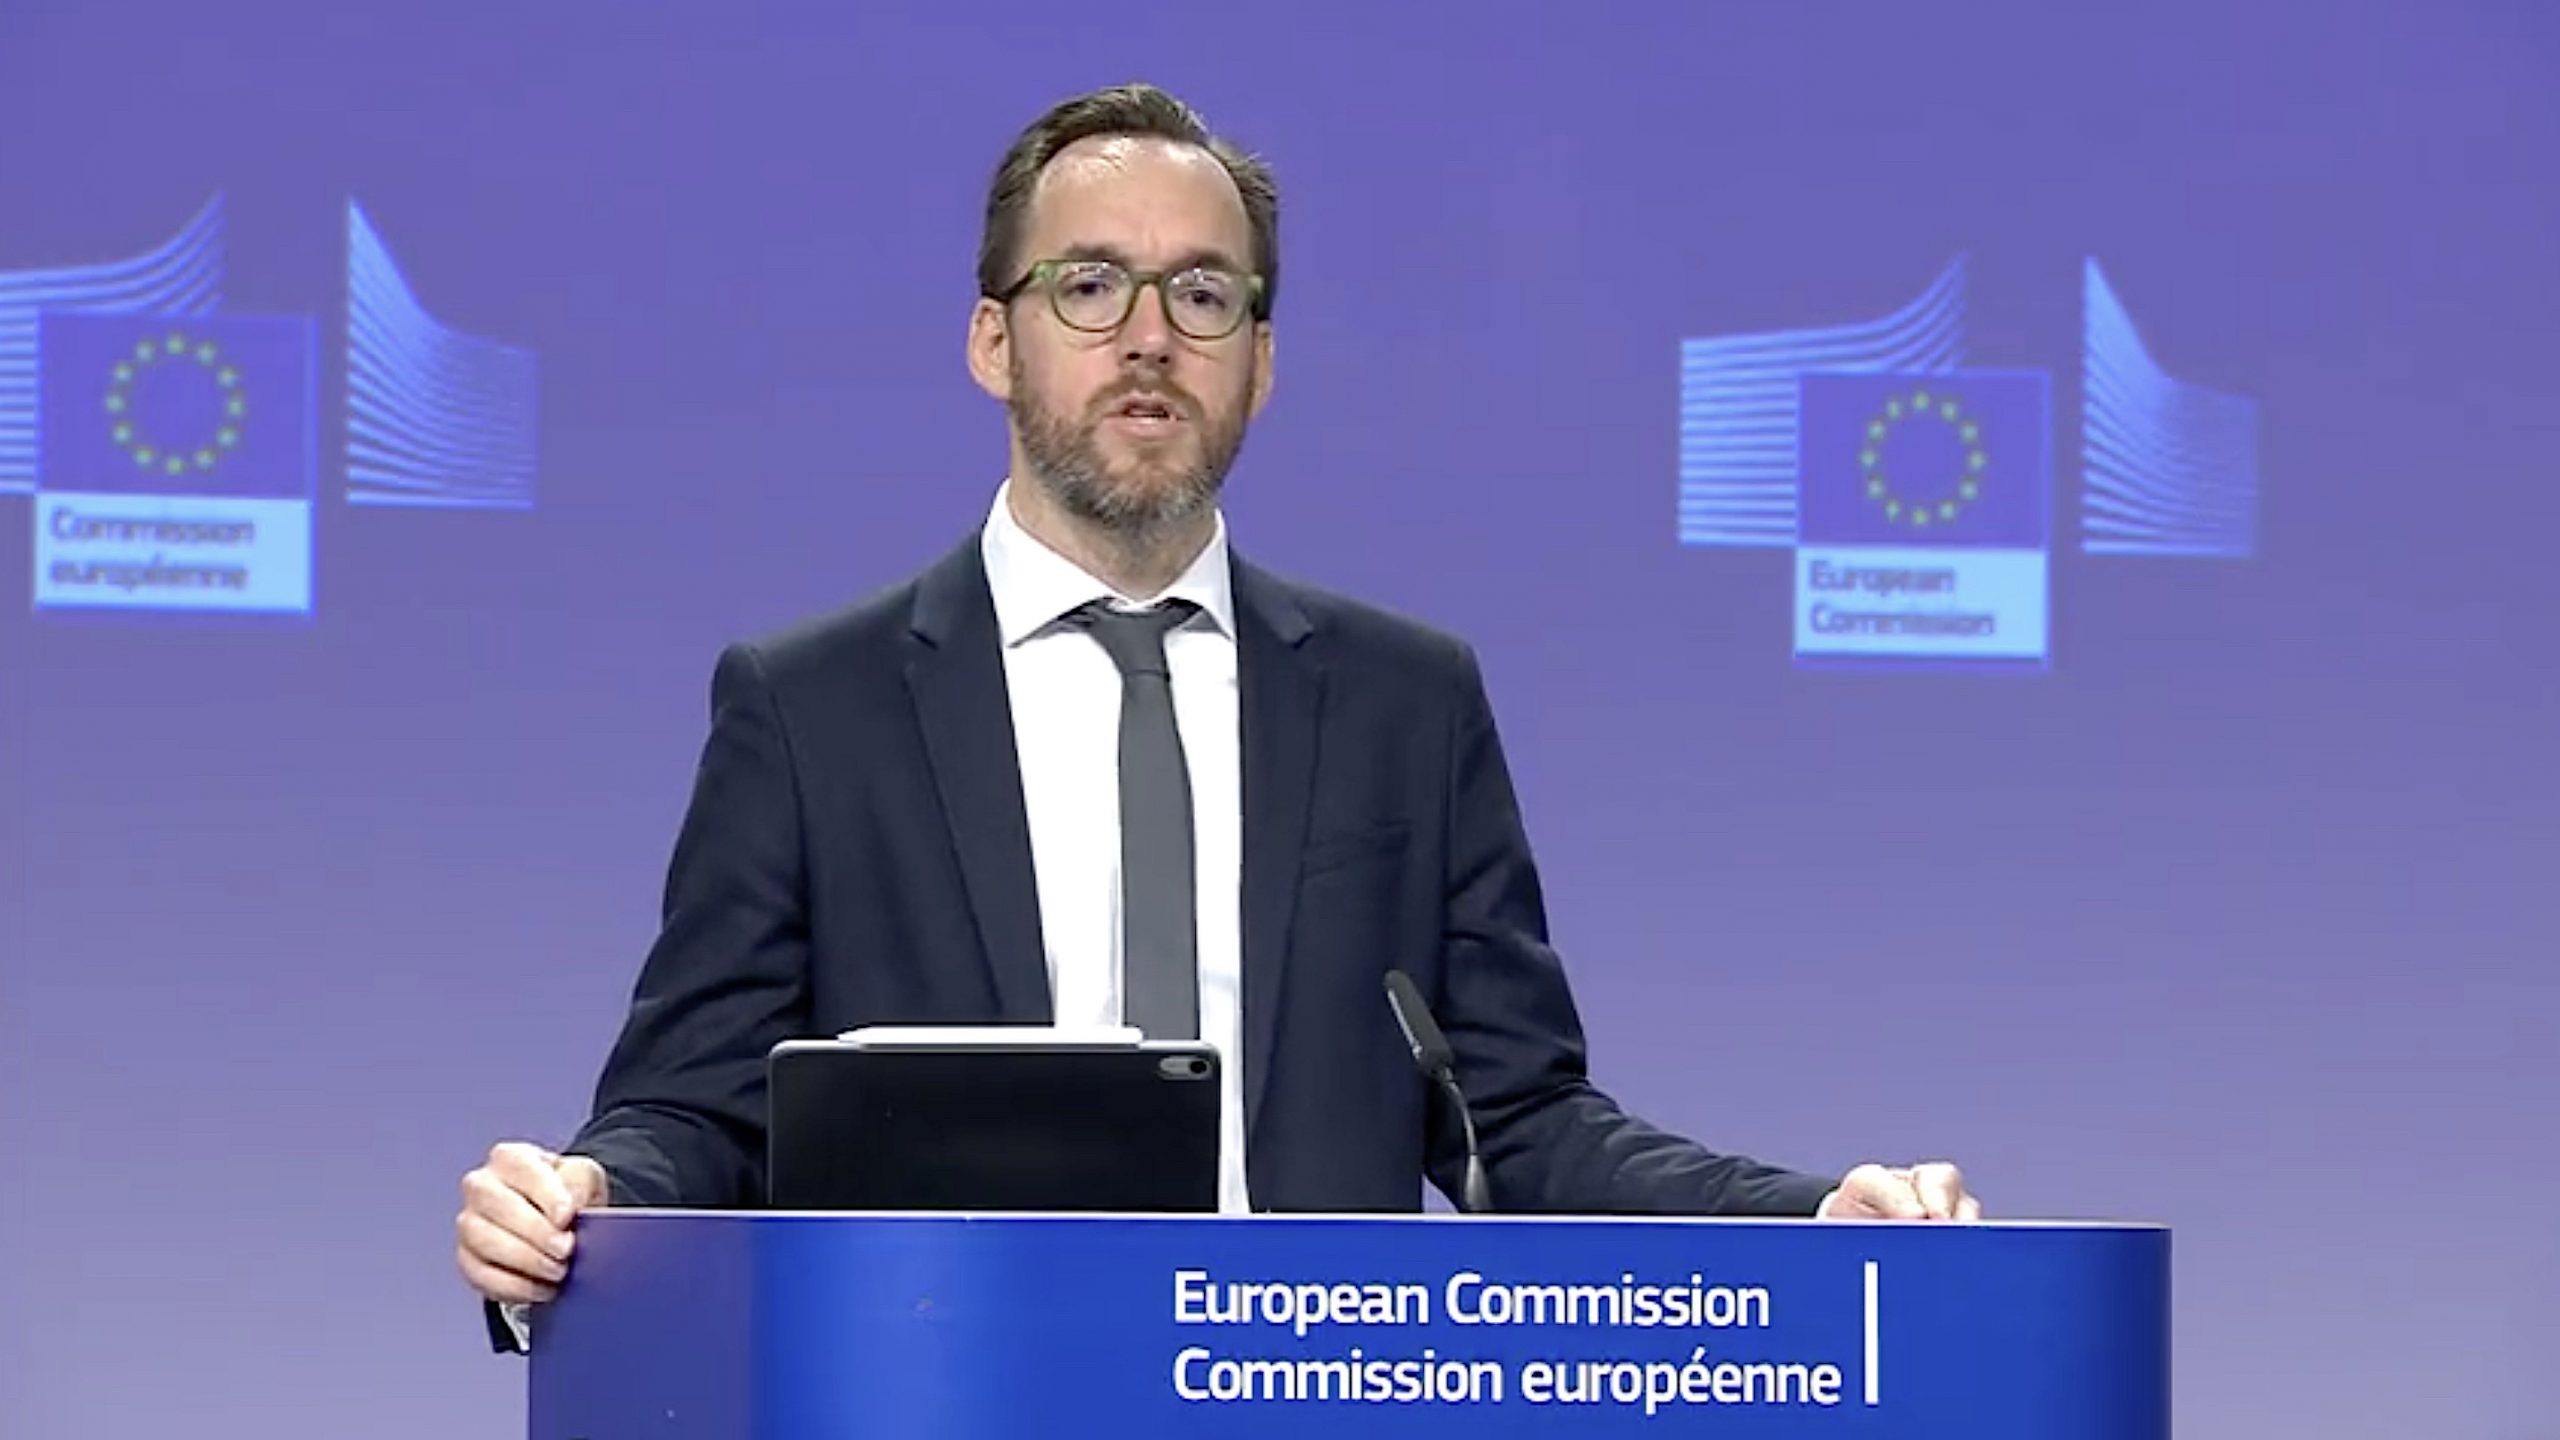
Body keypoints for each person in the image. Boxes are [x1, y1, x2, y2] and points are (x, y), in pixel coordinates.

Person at [455, 81, 1979, 1343]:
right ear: (992, 340)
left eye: (1202, 292)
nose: (1149, 336)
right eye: (1088, 285)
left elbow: (1514, 1123)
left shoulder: (1403, 701)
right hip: (952, 1385)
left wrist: (1807, 1218)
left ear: (1260, 358)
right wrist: (580, 1195)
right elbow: (702, 1108)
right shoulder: (812, 707)